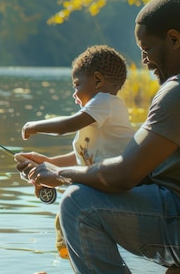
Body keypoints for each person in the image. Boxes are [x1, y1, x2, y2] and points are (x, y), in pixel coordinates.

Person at [16, 0, 180, 273]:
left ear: (173, 38)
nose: (144, 60)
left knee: (77, 203)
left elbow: (123, 174)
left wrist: (59, 175)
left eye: (147, 49)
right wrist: (52, 164)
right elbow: (140, 166)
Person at [17, 44, 135, 259]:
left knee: (69, 206)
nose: (74, 93)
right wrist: (49, 162)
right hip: (103, 185)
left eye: (77, 84)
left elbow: (65, 126)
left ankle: (76, 254)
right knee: (66, 211)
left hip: (117, 188)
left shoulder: (105, 102)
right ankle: (74, 255)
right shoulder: (98, 119)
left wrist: (34, 126)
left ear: (98, 81)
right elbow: (81, 156)